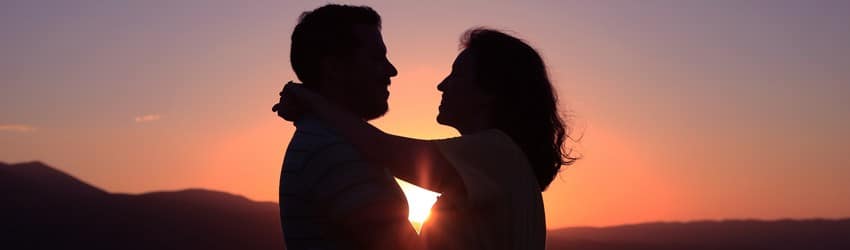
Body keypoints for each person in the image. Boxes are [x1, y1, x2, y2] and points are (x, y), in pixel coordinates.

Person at [274, 28, 577, 250]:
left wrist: (310, 100)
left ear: (489, 93)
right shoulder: (501, 163)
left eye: (456, 75)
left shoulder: (498, 153)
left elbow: (383, 149)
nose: (441, 85)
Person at [275, 4, 420, 250]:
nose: (391, 70)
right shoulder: (333, 151)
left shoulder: (330, 142)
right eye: (376, 58)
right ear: (333, 68)